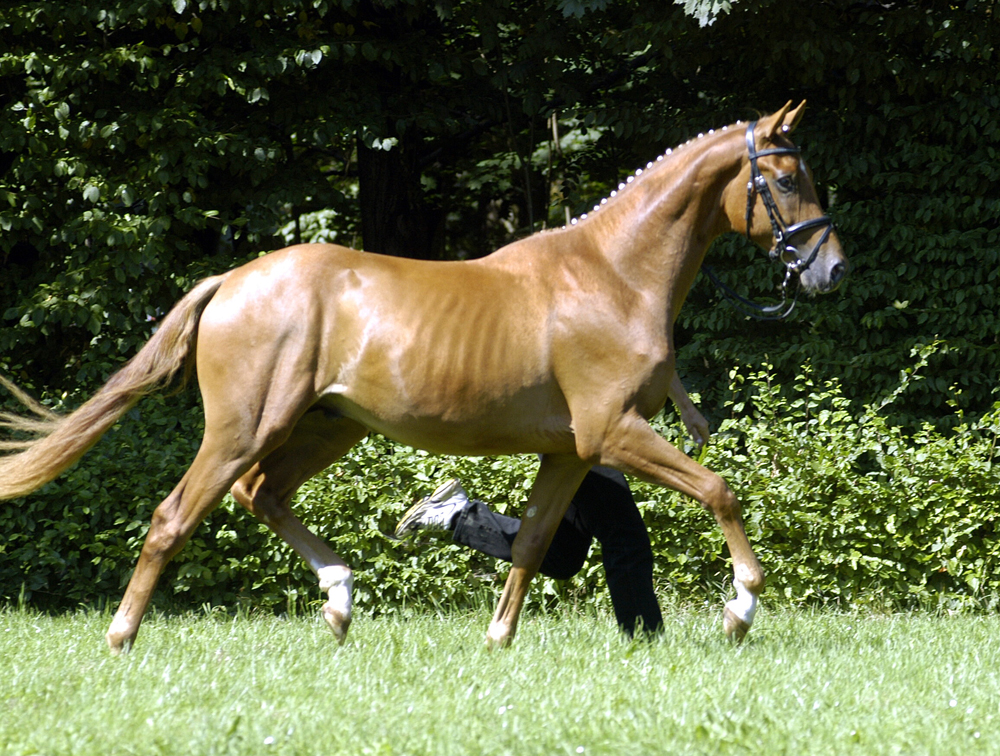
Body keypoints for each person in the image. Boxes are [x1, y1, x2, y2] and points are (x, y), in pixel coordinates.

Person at [395, 373, 709, 637]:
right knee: (624, 537)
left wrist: (686, 406)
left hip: (586, 429)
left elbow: (657, 351)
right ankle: (646, 642)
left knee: (563, 554)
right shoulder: (596, 300)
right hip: (575, 433)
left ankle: (455, 515)